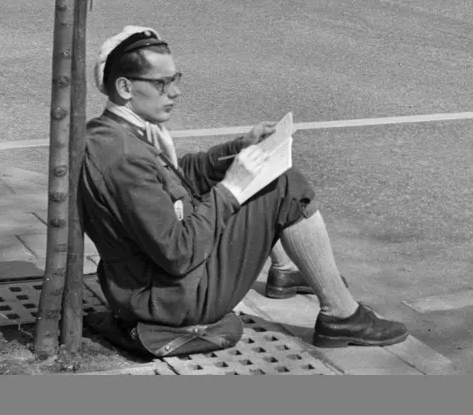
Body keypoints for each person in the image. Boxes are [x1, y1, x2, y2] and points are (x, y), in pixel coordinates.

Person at [79, 26, 409, 350]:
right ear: (124, 87)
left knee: (264, 178)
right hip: (175, 302)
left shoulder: (117, 133)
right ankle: (341, 315)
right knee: (285, 186)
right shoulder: (123, 157)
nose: (175, 92)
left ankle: (291, 270)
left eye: (175, 80)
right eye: (161, 84)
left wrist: (239, 149)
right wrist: (232, 190)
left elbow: (176, 178)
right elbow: (178, 253)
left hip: (153, 289)